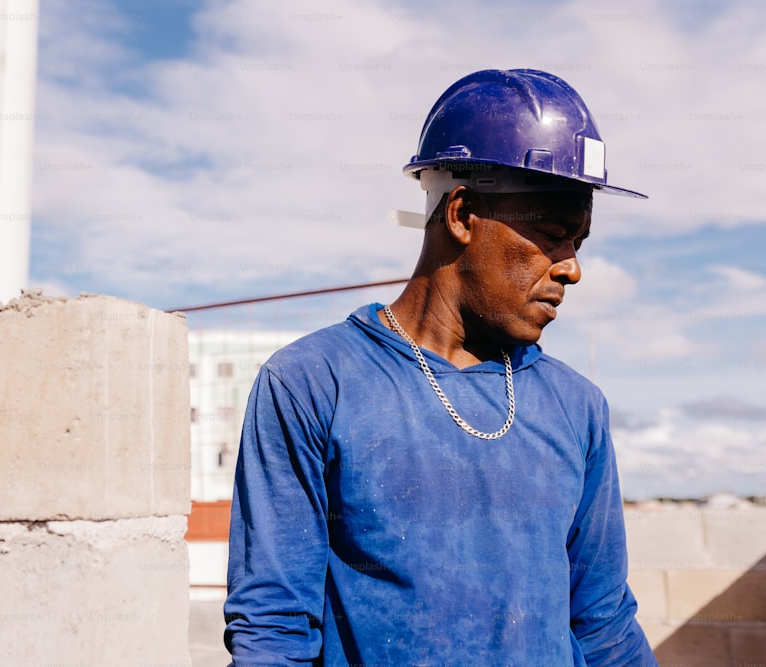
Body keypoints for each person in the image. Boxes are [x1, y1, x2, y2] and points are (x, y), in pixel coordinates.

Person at [224, 69, 658, 666]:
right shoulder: (313, 383)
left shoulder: (576, 405)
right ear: (461, 214)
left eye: (578, 243)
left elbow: (603, 620)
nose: (571, 269)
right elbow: (274, 627)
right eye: (553, 235)